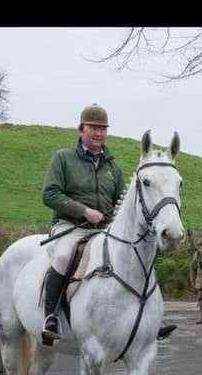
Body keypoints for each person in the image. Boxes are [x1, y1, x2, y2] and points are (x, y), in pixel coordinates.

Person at [40, 103, 179, 345]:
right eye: (93, 127)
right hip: (70, 226)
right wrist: (84, 211)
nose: (98, 133)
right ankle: (50, 316)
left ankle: (151, 318)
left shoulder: (113, 167)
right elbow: (50, 194)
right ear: (81, 129)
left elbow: (122, 203)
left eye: (103, 128)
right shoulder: (63, 158)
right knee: (63, 256)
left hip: (103, 230)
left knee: (137, 257)